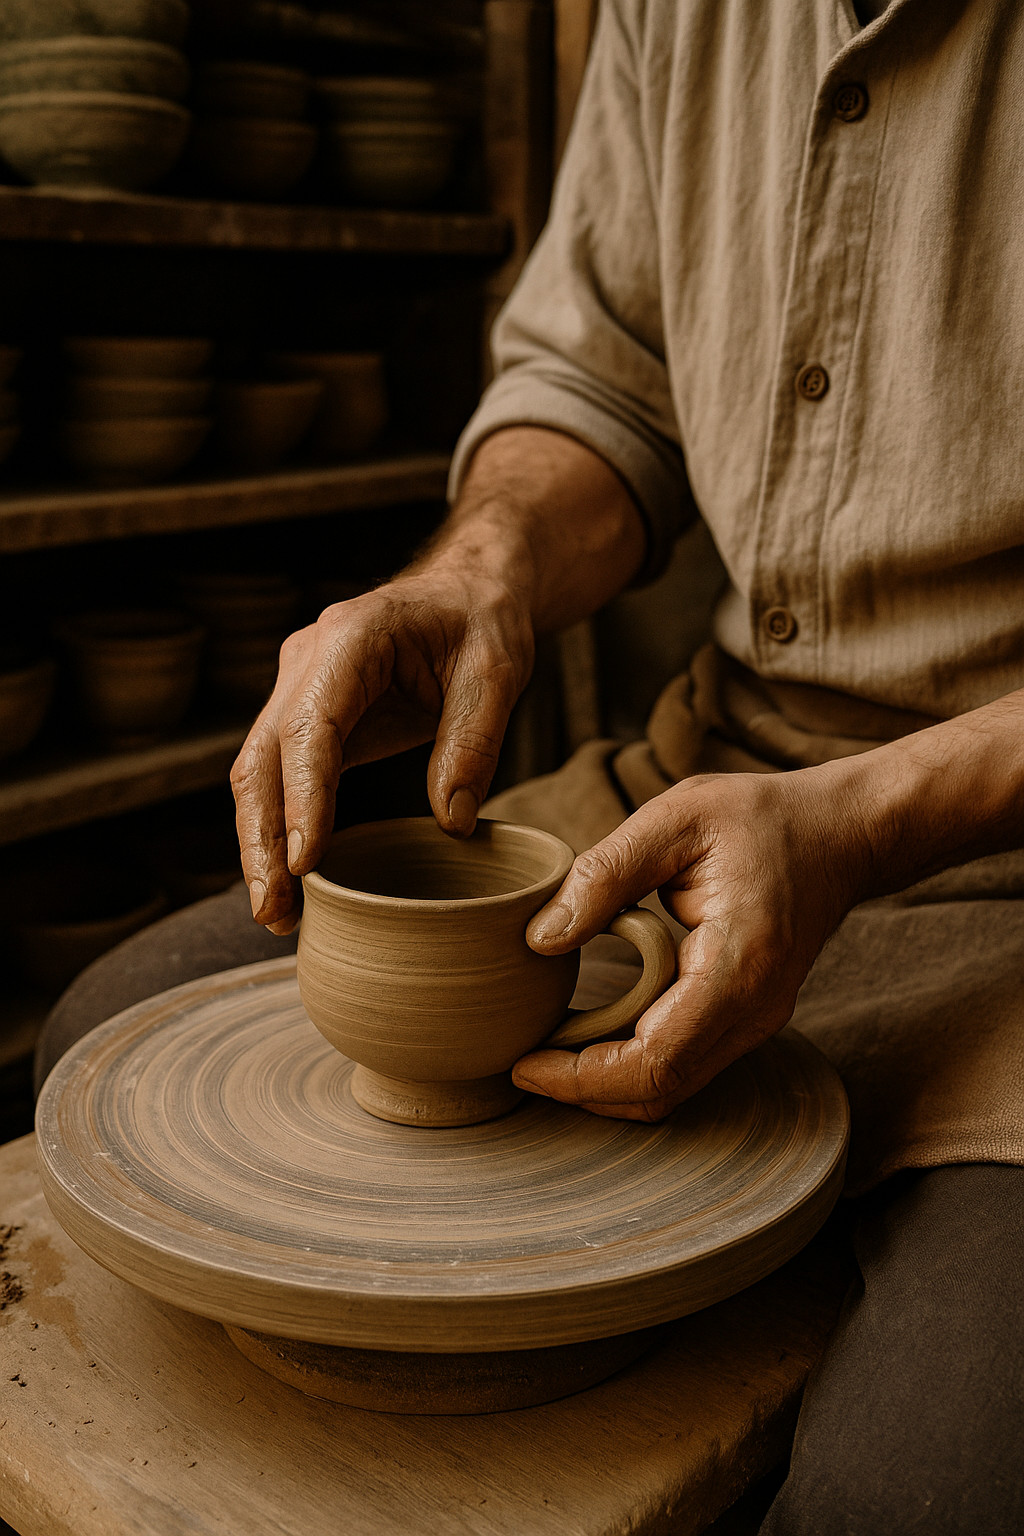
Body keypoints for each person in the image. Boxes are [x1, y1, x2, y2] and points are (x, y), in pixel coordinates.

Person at [38, 3, 1024, 1530]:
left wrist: (862, 820)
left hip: (1005, 850)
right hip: (719, 775)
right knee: (101, 1034)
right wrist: (478, 571)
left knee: (924, 1487)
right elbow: (602, 384)